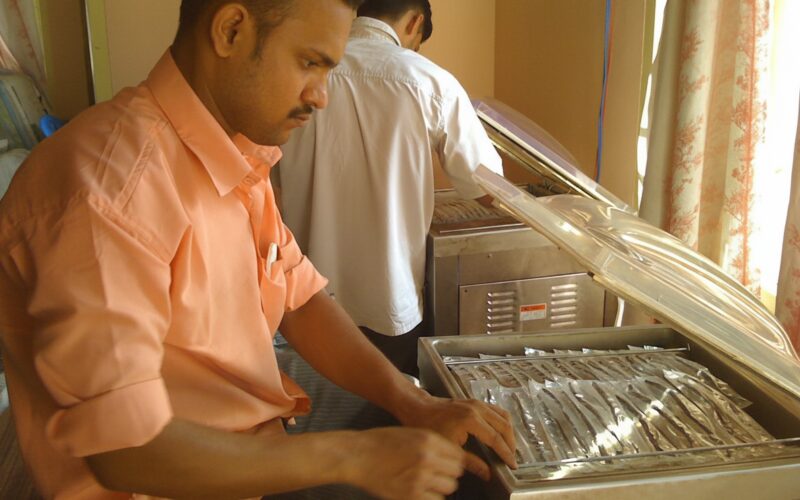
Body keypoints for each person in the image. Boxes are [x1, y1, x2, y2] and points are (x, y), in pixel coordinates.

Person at [0, 1, 517, 499]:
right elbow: (126, 448)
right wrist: (354, 458)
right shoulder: (112, 190)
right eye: (309, 62)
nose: (321, 96)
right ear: (230, 30)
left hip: (252, 449)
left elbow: (299, 296)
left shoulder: (235, 152)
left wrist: (414, 403)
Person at [277, 0, 504, 376]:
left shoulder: (303, 71)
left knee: (314, 414)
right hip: (388, 297)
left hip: (305, 300)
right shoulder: (431, 81)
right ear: (414, 22)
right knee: (388, 413)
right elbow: (489, 187)